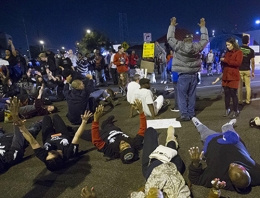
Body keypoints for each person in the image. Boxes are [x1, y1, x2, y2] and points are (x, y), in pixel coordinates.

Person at [10, 96, 93, 171]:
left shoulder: (44, 156)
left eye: (48, 154)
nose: (49, 152)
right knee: (56, 116)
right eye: (52, 153)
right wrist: (84, 122)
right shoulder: (69, 153)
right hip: (62, 134)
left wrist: (21, 127)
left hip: (48, 137)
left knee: (46, 118)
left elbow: (32, 141)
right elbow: (77, 136)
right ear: (60, 156)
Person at [188, 117, 260, 193]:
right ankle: (227, 126)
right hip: (233, 140)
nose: (233, 164)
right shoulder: (257, 174)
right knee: (230, 130)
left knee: (204, 131)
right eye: (238, 166)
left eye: (231, 168)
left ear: (229, 179)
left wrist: (195, 163)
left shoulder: (218, 177)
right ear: (246, 172)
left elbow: (195, 179)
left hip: (213, 140)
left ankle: (199, 125)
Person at [167, 17, 209, 121]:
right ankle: (191, 113)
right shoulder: (196, 47)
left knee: (182, 96)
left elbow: (169, 38)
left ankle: (184, 115)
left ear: (184, 39)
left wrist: (172, 26)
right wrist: (203, 27)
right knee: (192, 95)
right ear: (191, 39)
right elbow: (205, 40)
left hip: (183, 75)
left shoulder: (179, 46)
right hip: (193, 75)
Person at [130, 126, 190, 197]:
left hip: (150, 167)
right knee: (171, 146)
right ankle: (171, 139)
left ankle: (167, 139)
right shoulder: (176, 193)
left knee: (149, 132)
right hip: (170, 165)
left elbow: (134, 195)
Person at [91, 99, 147, 164]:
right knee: (106, 124)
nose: (124, 144)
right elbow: (142, 130)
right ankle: (108, 121)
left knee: (81, 133)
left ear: (119, 151)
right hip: (114, 130)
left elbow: (97, 142)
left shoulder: (112, 151)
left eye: (123, 148)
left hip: (102, 135)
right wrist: (141, 111)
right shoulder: (135, 144)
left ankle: (106, 123)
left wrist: (95, 121)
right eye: (127, 146)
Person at [221, 38, 243, 118]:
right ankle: (227, 109)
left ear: (233, 44)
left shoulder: (239, 52)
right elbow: (225, 63)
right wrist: (222, 61)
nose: (227, 46)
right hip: (226, 75)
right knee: (226, 94)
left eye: (229, 45)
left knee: (233, 94)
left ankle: (236, 110)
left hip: (233, 76)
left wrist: (226, 60)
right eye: (226, 45)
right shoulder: (227, 52)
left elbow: (238, 63)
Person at [238, 35, 255, 105]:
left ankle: (240, 101)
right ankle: (248, 100)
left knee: (240, 87)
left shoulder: (238, 49)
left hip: (239, 69)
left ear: (242, 41)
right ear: (248, 41)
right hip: (247, 69)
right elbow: (253, 62)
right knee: (248, 86)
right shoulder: (251, 50)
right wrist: (253, 71)